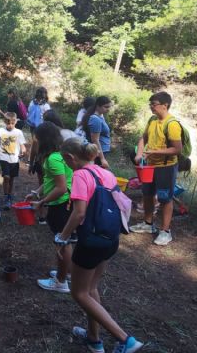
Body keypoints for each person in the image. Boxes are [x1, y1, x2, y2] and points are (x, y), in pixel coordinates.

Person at [58, 138, 143, 353]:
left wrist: (62, 237)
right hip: (110, 240)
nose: (66, 164)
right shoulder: (104, 171)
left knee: (79, 293)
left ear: (70, 158)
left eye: (64, 160)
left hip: (91, 242)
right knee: (91, 289)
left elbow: (79, 213)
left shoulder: (80, 175)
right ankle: (94, 339)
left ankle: (125, 340)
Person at [130, 91, 182, 246]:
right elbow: (143, 138)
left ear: (165, 105)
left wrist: (155, 152)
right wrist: (140, 153)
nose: (151, 107)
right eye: (150, 104)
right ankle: (148, 224)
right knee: (147, 194)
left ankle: (165, 231)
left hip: (166, 167)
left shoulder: (172, 124)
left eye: (154, 104)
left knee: (165, 198)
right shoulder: (152, 119)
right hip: (149, 166)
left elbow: (177, 149)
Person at [27, 122, 73, 294]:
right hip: (65, 202)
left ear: (43, 140)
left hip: (61, 204)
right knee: (63, 240)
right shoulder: (59, 154)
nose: (35, 142)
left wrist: (42, 202)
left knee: (63, 242)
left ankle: (60, 282)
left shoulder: (52, 159)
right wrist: (37, 192)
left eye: (36, 139)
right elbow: (51, 182)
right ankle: (64, 272)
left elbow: (60, 187)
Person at [81, 96, 113, 168]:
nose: (108, 109)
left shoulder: (100, 117)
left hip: (103, 150)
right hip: (99, 153)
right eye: (106, 107)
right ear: (98, 106)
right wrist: (102, 159)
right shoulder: (95, 119)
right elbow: (95, 140)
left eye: (109, 107)